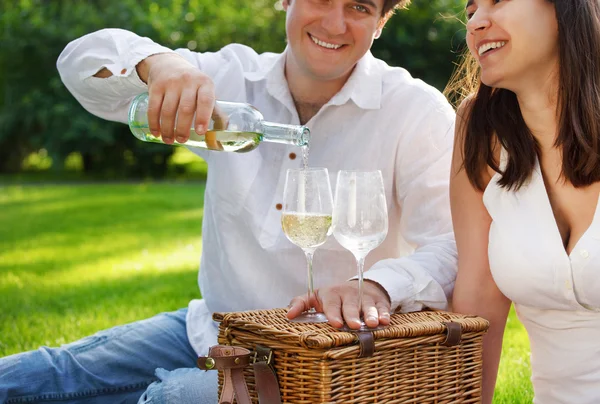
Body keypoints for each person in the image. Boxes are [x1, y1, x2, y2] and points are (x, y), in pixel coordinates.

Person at [0, 0, 458, 403]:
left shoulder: (416, 113)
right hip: (210, 330)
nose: (336, 23)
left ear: (381, 22)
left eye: (359, 7)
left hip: (325, 361)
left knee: (169, 398)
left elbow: (448, 245)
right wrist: (159, 65)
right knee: (29, 379)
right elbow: (80, 62)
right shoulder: (228, 80)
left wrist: (378, 286)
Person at [448, 0, 600, 403]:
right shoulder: (479, 128)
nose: (477, 22)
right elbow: (476, 303)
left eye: (498, 1)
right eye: (471, 10)